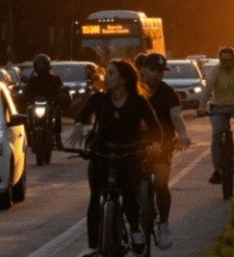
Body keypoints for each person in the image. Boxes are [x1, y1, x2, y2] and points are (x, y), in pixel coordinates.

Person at [67, 60, 162, 257]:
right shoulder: (99, 99)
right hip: (102, 154)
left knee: (129, 196)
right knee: (95, 198)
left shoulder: (138, 102)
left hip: (129, 155)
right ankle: (93, 245)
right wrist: (78, 126)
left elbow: (156, 129)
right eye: (106, 73)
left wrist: (154, 144)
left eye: (111, 73)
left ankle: (135, 230)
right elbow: (82, 115)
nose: (106, 77)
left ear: (123, 79)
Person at [139, 53, 192, 250]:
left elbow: (176, 117)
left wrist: (183, 135)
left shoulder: (169, 93)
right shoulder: (133, 90)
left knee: (161, 183)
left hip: (163, 145)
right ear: (143, 70)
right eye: (152, 69)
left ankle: (163, 225)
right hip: (135, 146)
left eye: (160, 71)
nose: (156, 74)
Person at [197, 47, 234, 184]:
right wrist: (201, 107)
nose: (226, 63)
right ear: (220, 60)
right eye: (223, 60)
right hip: (218, 106)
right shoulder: (214, 70)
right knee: (217, 134)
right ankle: (217, 170)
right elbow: (207, 89)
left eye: (229, 60)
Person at [22, 53, 69, 149]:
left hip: (50, 105)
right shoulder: (33, 80)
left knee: (57, 113)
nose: (40, 67)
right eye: (38, 64)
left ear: (47, 65)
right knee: (27, 113)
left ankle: (58, 139)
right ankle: (28, 136)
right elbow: (26, 91)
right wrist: (23, 96)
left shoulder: (55, 79)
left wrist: (62, 96)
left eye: (41, 64)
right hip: (36, 105)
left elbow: (61, 90)